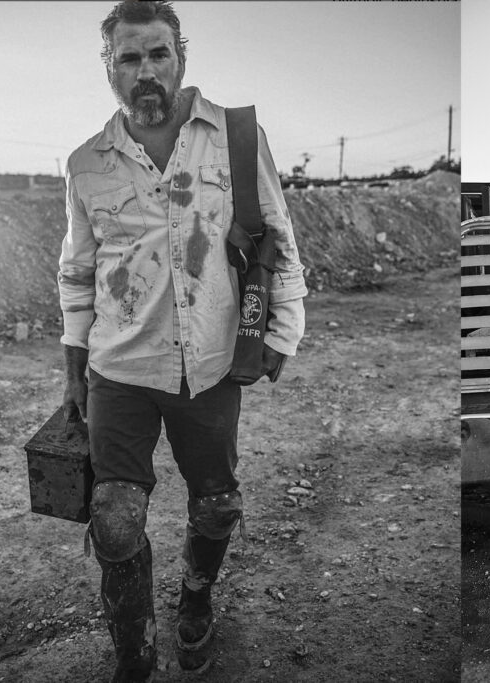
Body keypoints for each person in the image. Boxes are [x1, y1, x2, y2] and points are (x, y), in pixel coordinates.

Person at [57, 1, 307, 679]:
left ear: (181, 57)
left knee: (218, 502)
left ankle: (196, 598)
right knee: (113, 518)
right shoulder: (86, 163)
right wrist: (73, 363)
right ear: (109, 67)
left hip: (211, 360)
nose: (145, 72)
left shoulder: (237, 138)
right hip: (120, 363)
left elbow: (277, 239)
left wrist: (282, 331)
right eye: (129, 57)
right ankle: (133, 653)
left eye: (157, 54)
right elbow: (79, 271)